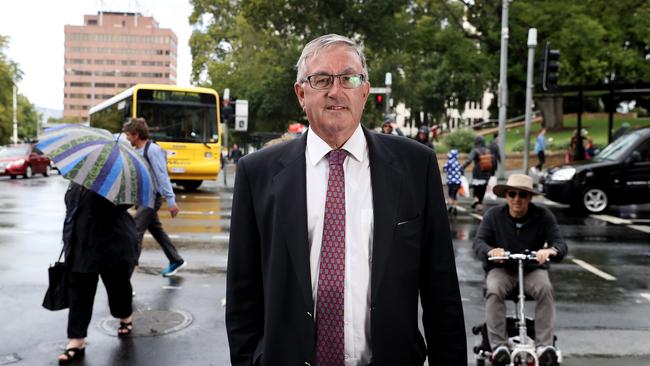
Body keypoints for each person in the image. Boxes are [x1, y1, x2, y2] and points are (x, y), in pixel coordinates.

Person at [226, 34, 466, 366]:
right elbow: (243, 294)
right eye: (321, 79)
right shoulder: (257, 173)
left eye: (349, 78)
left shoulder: (416, 165)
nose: (336, 91)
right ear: (301, 93)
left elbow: (442, 292)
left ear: (365, 90)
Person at [472, 174, 568, 366]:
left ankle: (544, 346)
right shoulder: (493, 216)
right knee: (494, 289)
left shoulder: (543, 216)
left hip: (532, 268)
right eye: (512, 194)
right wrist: (492, 251)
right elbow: (478, 243)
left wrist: (550, 250)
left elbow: (560, 244)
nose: (517, 199)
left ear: (530, 197)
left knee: (545, 289)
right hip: (502, 268)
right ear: (506, 196)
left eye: (522, 195)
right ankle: (498, 346)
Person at [56, 182, 137, 364]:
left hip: (111, 244)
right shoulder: (76, 183)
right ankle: (76, 340)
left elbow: (125, 204)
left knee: (118, 286)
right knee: (79, 294)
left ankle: (125, 316)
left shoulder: (115, 181)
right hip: (81, 246)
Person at [122, 118, 186, 277]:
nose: (127, 138)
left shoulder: (153, 150)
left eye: (128, 135)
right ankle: (176, 259)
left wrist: (171, 201)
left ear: (136, 135)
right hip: (142, 198)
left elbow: (162, 176)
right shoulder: (136, 150)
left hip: (151, 198)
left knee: (135, 232)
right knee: (156, 230)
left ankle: (126, 277)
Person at [462, 135, 494, 211]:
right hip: (487, 173)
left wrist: (461, 168)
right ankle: (480, 202)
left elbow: (469, 160)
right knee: (483, 188)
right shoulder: (488, 150)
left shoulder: (475, 150)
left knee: (476, 188)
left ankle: (476, 200)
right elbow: (493, 161)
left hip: (477, 173)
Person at [442, 149, 463, 216]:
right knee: (455, 194)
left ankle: (450, 207)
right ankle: (455, 207)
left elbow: (444, 168)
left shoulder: (449, 162)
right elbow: (462, 170)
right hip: (457, 182)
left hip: (450, 181)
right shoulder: (458, 162)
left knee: (450, 194)